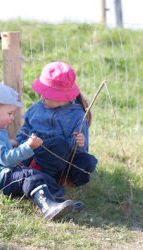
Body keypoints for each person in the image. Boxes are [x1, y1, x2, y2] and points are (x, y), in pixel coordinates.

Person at [0, 83, 76, 221]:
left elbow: (2, 153)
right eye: (10, 113)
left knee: (40, 176)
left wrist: (15, 144)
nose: (12, 118)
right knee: (30, 176)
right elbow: (6, 158)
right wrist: (27, 147)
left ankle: (59, 203)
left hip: (2, 175)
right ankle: (47, 207)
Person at [14, 61, 98, 192]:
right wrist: (18, 142)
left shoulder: (77, 116)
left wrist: (79, 143)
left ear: (63, 98)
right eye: (42, 93)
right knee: (58, 144)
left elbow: (81, 151)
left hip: (62, 161)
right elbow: (26, 128)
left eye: (47, 96)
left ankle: (58, 180)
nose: (42, 98)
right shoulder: (37, 108)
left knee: (88, 162)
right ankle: (33, 175)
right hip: (35, 156)